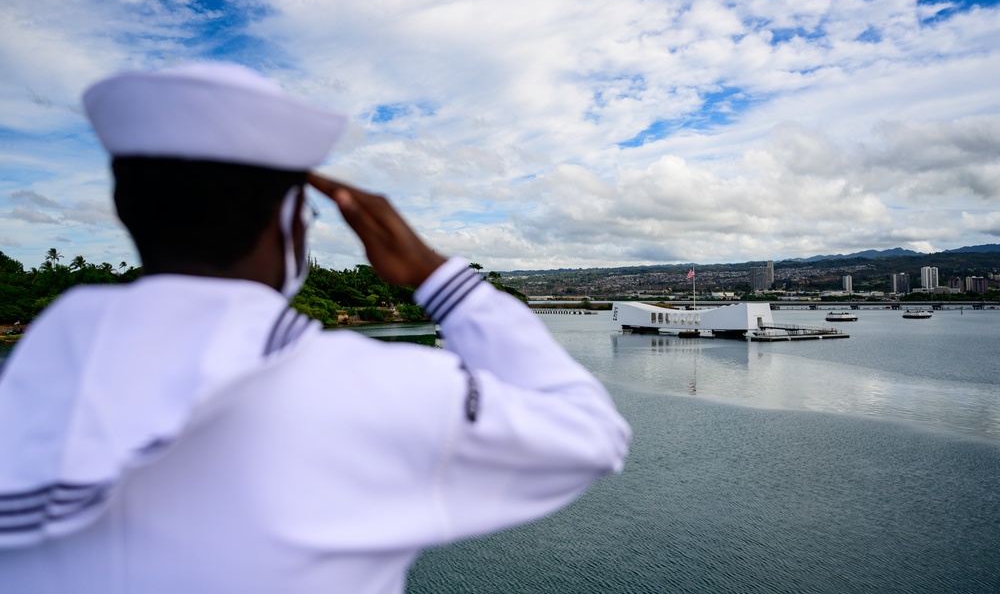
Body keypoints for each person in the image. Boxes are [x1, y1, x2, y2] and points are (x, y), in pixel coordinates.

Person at [0, 63, 630, 593]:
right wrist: (438, 277)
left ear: (121, 208)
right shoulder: (376, 389)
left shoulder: (34, 380)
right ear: (290, 220)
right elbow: (593, 434)